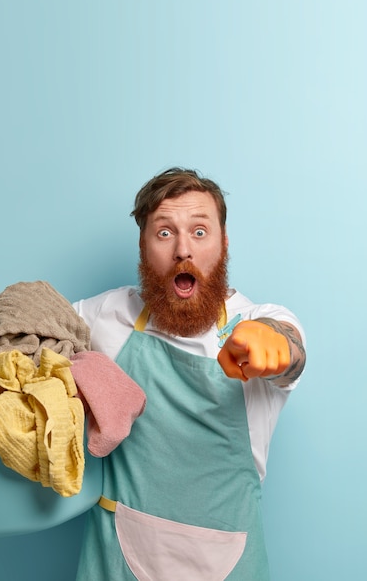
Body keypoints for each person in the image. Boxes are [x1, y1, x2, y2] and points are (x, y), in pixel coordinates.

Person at [72, 167, 306, 581]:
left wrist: (277, 345)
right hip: (116, 557)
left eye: (200, 232)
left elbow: (289, 344)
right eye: (165, 233)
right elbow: (31, 332)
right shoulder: (107, 316)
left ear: (224, 243)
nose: (183, 249)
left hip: (229, 561)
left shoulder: (255, 319)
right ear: (143, 246)